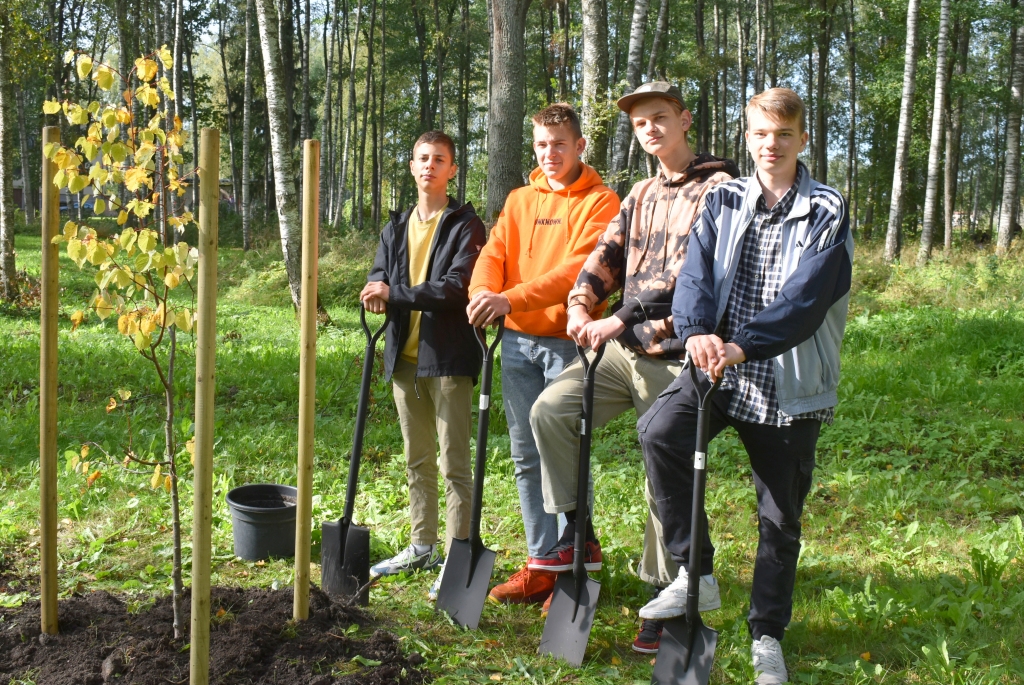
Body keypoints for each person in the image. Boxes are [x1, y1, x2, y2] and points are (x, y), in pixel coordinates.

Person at [636, 88, 852, 684]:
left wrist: (742, 344)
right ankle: (696, 573)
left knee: (778, 518)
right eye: (760, 133)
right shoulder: (724, 196)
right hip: (718, 371)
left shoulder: (827, 207)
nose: (770, 144)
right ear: (747, 137)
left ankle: (767, 637)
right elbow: (695, 275)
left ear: (802, 139)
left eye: (783, 134)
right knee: (659, 433)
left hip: (786, 382)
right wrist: (698, 332)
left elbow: (806, 300)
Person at [530, 82, 738, 651]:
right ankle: (578, 533)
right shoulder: (641, 192)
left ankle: (666, 591)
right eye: (641, 123)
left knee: (661, 469)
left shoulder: (720, 190)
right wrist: (579, 303)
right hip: (624, 350)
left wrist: (616, 318)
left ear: (684, 119)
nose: (650, 129)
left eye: (660, 117)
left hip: (678, 353)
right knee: (550, 411)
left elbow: (690, 278)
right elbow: (607, 255)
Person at [466, 103, 619, 606]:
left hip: (567, 341)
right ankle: (540, 563)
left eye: (558, 144)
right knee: (525, 455)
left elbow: (578, 270)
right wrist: (483, 294)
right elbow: (493, 253)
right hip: (516, 343)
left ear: (579, 146)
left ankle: (575, 566)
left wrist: (511, 298)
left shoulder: (601, 202)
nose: (548, 153)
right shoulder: (520, 199)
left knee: (566, 455)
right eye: (540, 145)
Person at [361, 131, 486, 593]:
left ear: (452, 169)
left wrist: (395, 293)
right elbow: (379, 272)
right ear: (412, 166)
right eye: (423, 158)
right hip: (404, 359)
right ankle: (422, 545)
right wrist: (375, 289)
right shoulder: (395, 226)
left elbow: (457, 287)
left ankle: (458, 555)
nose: (430, 166)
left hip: (449, 358)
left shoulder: (465, 225)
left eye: (439, 159)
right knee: (417, 459)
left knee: (454, 463)